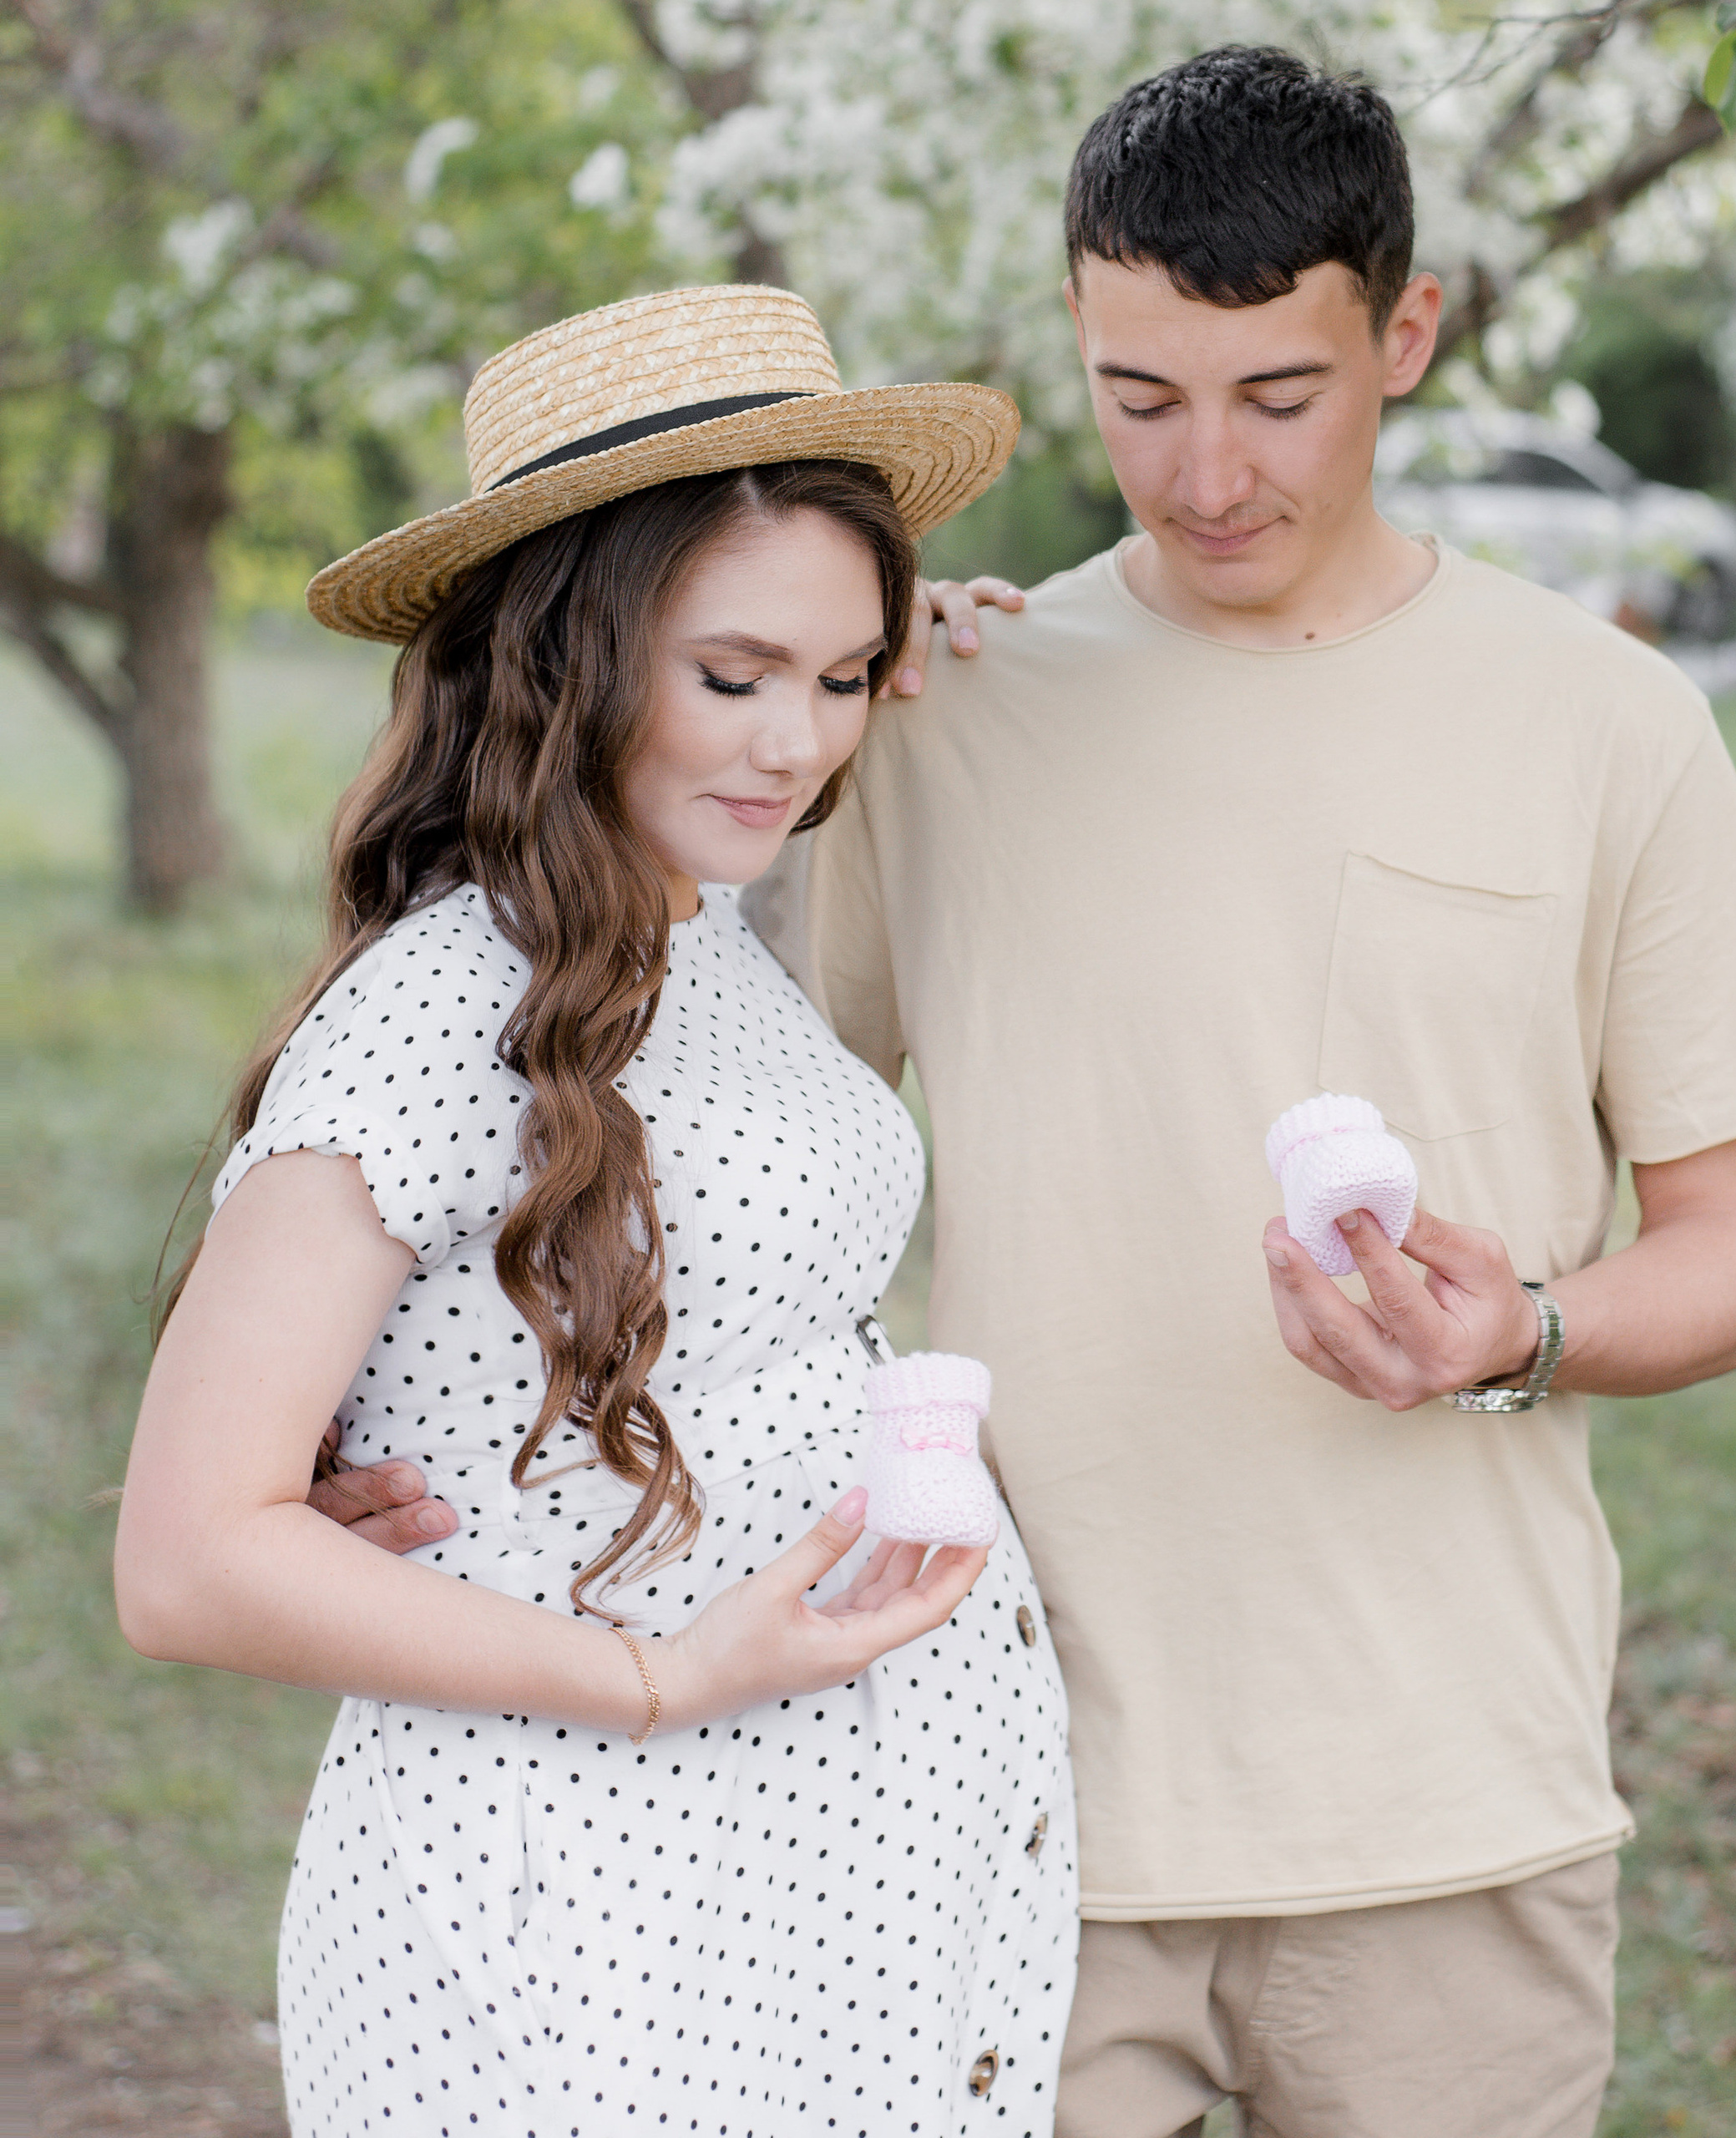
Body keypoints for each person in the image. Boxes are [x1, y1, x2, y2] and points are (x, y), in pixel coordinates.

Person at [326, 48, 1736, 2138]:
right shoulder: (936, 709)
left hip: (1449, 1809)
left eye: (1275, 397)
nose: (1203, 470)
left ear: (1404, 335)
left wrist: (1521, 1333)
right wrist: (396, 1428)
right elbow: (690, 1169)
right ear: (1073, 339)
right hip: (980, 1778)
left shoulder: (1614, 724)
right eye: (1140, 398)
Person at [114, 284, 1078, 2138]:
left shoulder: (682, 927)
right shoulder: (436, 1001)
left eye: (841, 672)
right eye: (732, 674)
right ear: (567, 653)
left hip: (799, 1878)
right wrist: (654, 1675)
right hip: (584, 1914)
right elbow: (184, 1554)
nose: (795, 741)